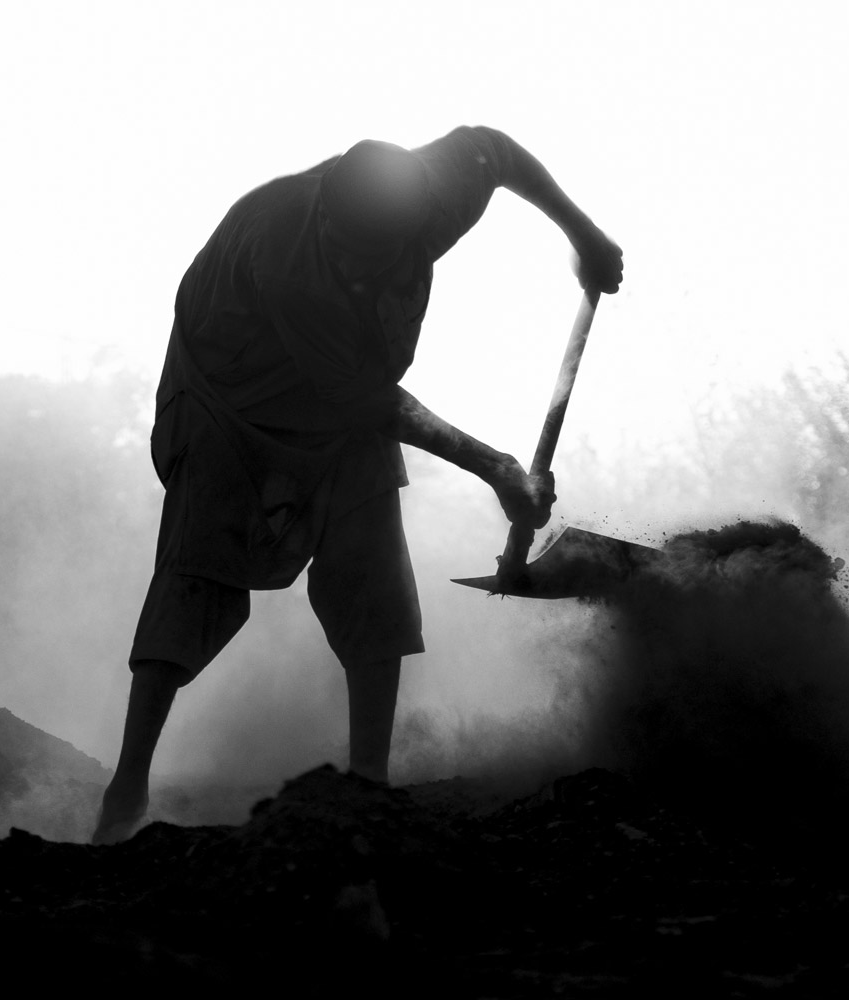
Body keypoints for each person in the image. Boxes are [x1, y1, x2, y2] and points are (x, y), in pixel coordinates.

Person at [93, 126, 623, 844]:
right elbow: (365, 400)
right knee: (200, 570)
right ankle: (126, 790)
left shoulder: (431, 196)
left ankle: (369, 785)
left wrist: (583, 235)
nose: (356, 270)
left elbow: (492, 150)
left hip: (342, 390)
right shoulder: (288, 265)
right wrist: (498, 469)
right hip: (224, 395)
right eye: (345, 252)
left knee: (370, 554)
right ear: (324, 219)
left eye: (375, 259)